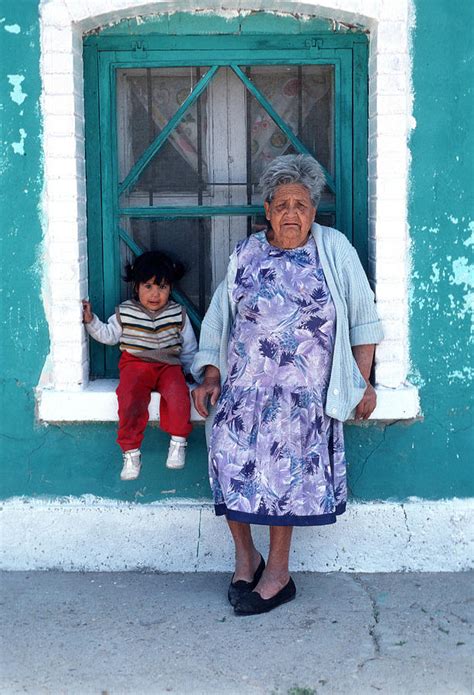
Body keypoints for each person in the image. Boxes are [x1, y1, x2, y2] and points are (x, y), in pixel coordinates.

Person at [191, 154, 383, 615]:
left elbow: (363, 317)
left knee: (283, 481)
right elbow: (220, 316)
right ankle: (246, 558)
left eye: (301, 204)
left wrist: (361, 381)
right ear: (267, 210)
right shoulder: (247, 254)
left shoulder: (333, 248)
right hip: (243, 390)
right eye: (282, 204)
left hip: (302, 397)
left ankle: (278, 574)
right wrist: (211, 372)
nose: (292, 213)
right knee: (225, 457)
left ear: (314, 211)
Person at [83, 251, 197, 481]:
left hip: (168, 365)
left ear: (170, 289)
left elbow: (189, 349)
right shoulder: (125, 312)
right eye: (148, 286)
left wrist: (194, 374)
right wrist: (91, 321)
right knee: (129, 398)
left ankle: (178, 441)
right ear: (136, 287)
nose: (155, 294)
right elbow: (108, 335)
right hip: (135, 363)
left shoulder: (177, 313)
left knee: (178, 395)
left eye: (162, 287)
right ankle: (131, 452)